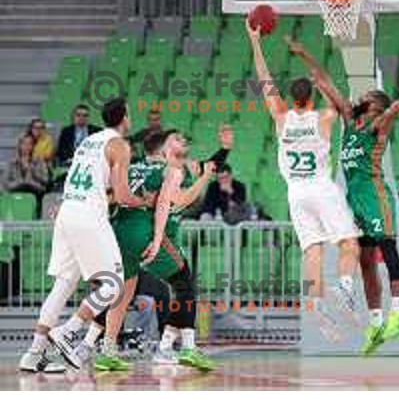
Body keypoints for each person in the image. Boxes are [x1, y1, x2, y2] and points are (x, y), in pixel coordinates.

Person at [291, 38, 399, 354]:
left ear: (375, 105)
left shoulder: (377, 125)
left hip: (376, 198)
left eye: (367, 97)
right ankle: (376, 323)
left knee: (388, 252)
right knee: (365, 262)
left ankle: (398, 315)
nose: (360, 98)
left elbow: (390, 115)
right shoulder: (350, 123)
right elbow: (326, 84)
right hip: (354, 202)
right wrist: (307, 55)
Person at [76, 127, 231, 372]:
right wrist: (203, 179)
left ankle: (91, 343)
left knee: (121, 292)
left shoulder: (139, 167)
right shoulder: (170, 171)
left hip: (119, 232)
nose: (182, 140)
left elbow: (210, 165)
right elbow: (181, 200)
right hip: (153, 236)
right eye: (176, 138)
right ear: (164, 149)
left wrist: (224, 149)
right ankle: (182, 347)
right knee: (184, 284)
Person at [247, 20, 360, 341]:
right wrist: (306, 56)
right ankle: (346, 289)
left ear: (291, 98)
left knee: (313, 251)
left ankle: (316, 302)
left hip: (295, 193)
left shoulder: (280, 118)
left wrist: (255, 42)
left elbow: (265, 80)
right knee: (349, 244)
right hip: (321, 188)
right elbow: (332, 90)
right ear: (311, 96)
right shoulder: (324, 117)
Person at [18, 98, 149, 373]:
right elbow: (123, 195)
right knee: (114, 284)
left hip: (68, 209)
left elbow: (102, 187)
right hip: (89, 216)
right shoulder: (120, 145)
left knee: (64, 284)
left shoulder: (89, 141)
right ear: (125, 117)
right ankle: (69, 330)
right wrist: (146, 201)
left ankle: (34, 353)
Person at [3, 134, 50, 205]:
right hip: (15, 192)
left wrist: (34, 172)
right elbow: (5, 182)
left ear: (33, 146)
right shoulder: (11, 162)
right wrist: (20, 183)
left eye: (29, 144)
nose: (27, 146)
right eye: (24, 143)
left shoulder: (40, 162)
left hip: (34, 192)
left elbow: (45, 180)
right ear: (19, 145)